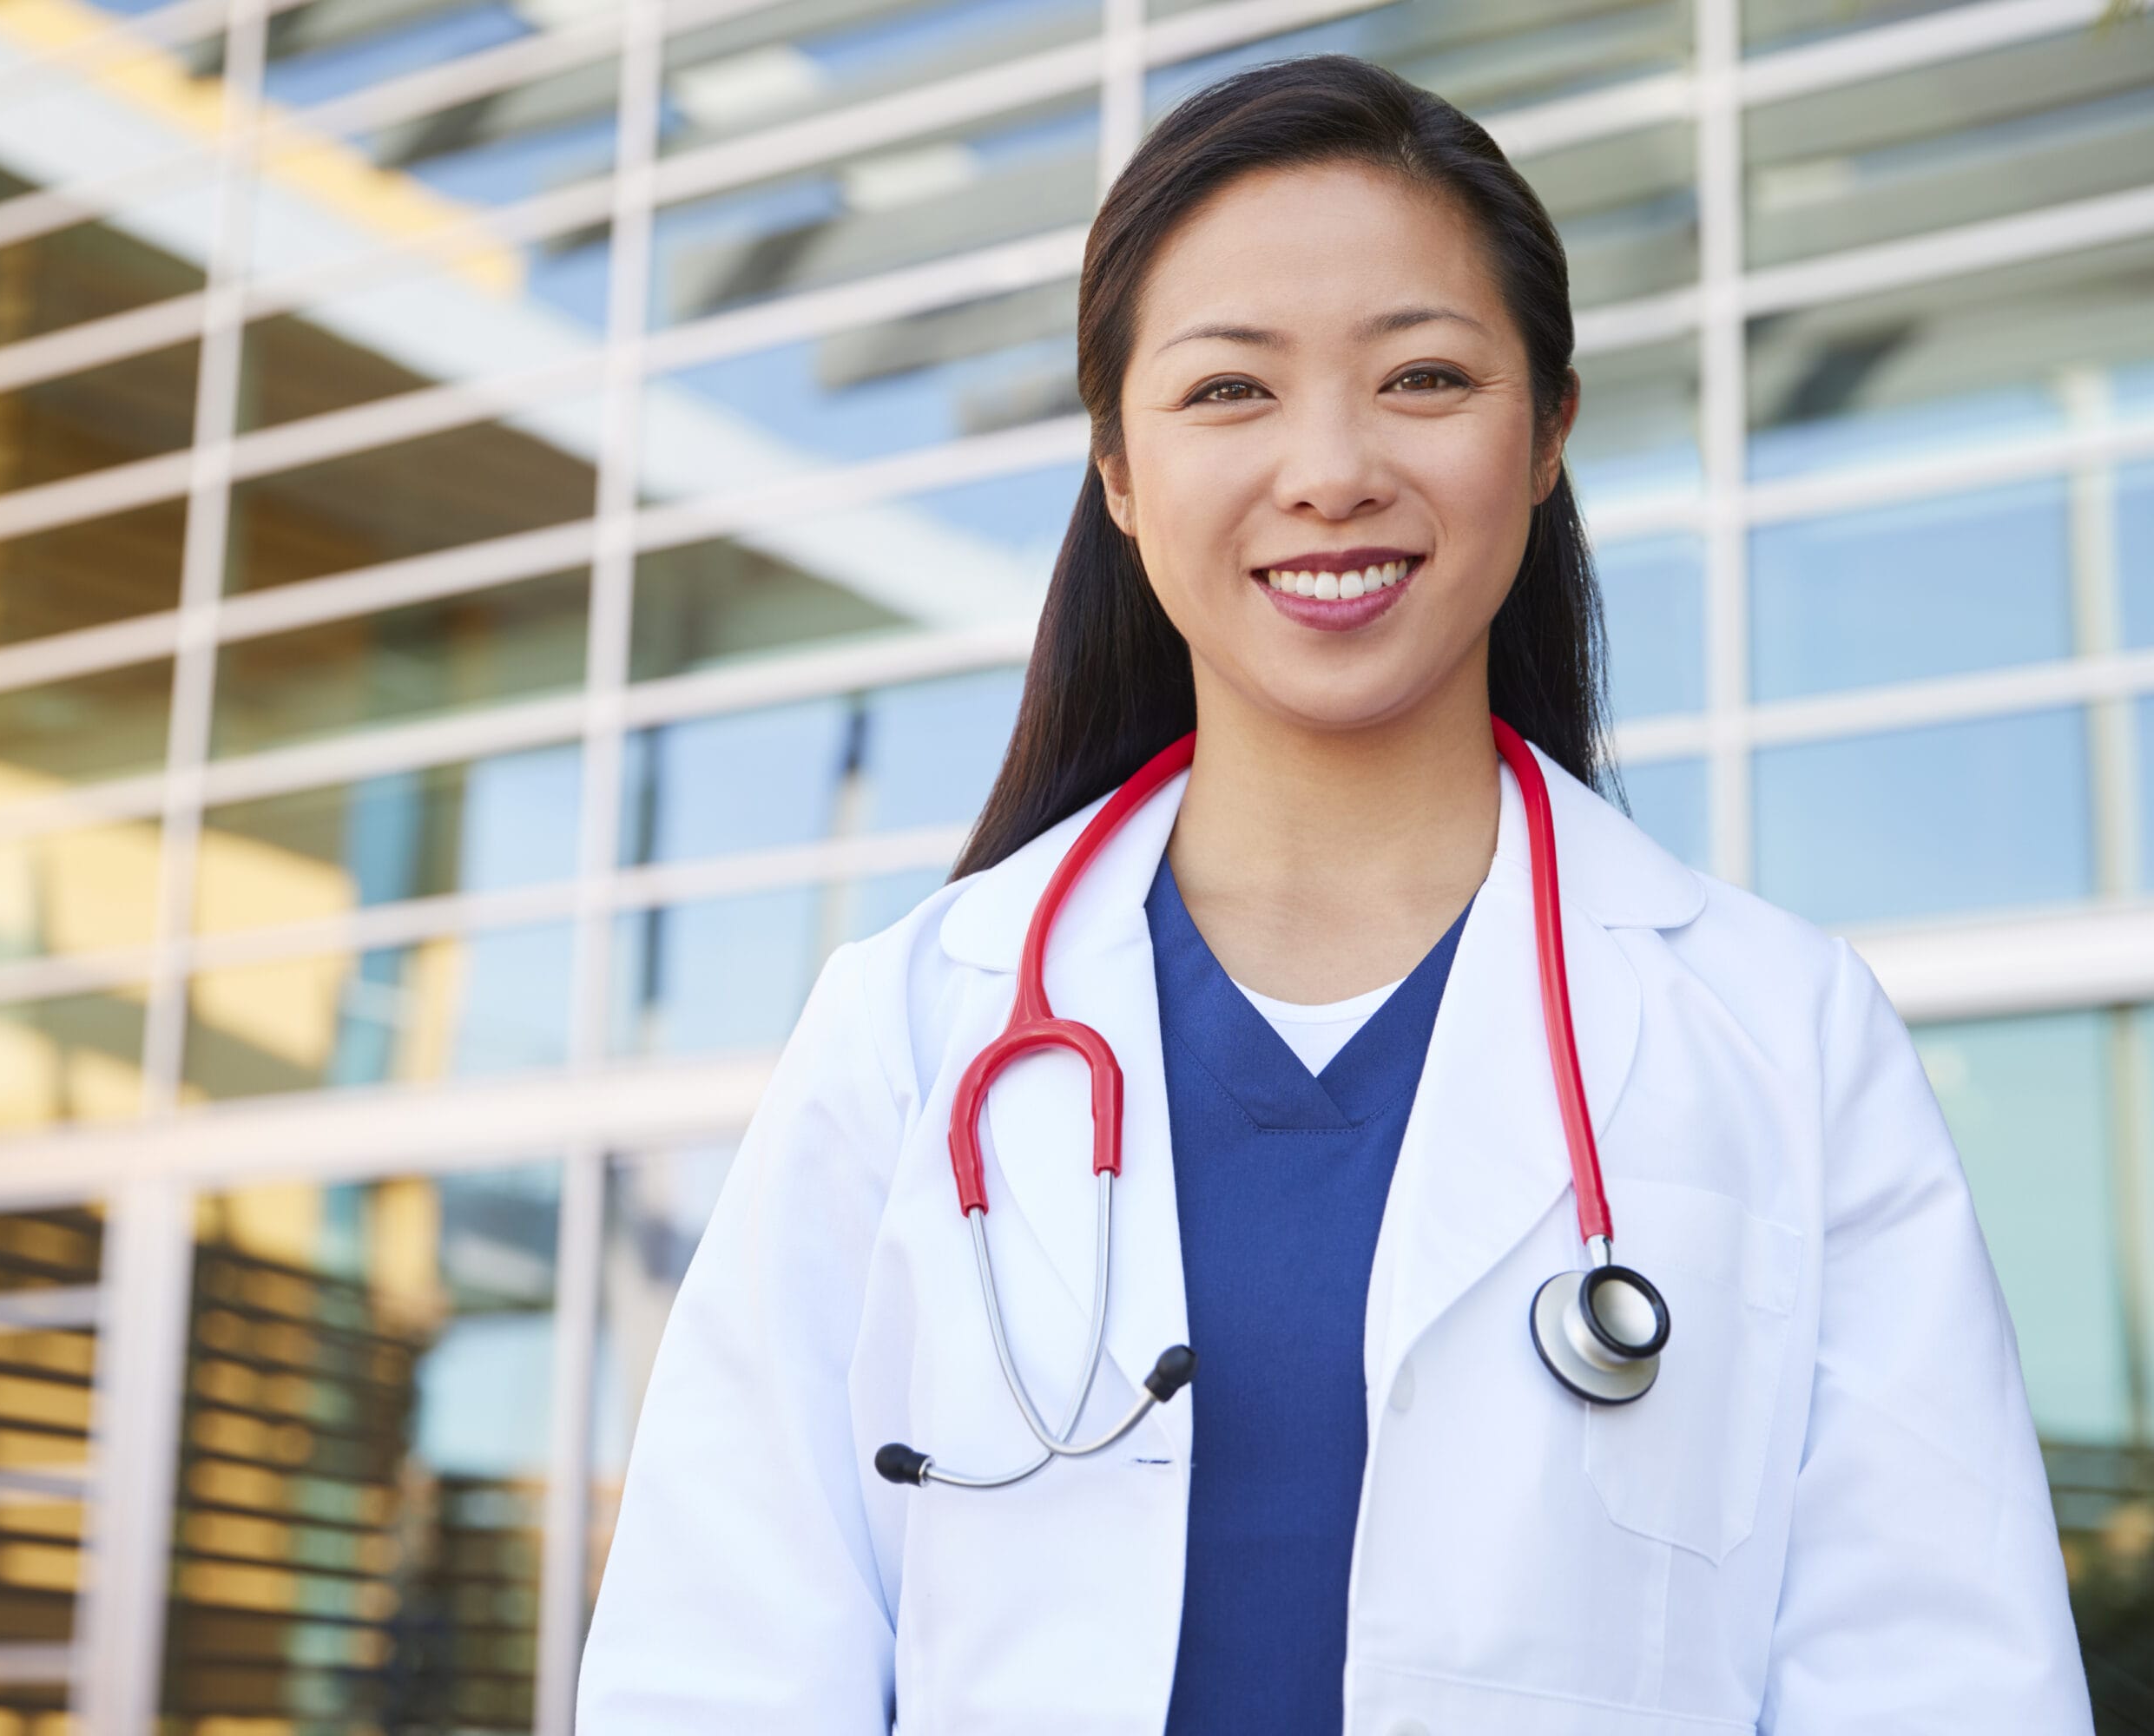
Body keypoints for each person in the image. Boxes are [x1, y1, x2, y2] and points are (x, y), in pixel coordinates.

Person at [574, 52, 2092, 1735]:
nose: (1332, 468)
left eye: (1424, 377)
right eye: (1230, 391)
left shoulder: (1782, 1035)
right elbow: (723, 1666)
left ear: (1547, 436)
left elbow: (1943, 1681)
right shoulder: (914, 1024)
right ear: (1120, 472)